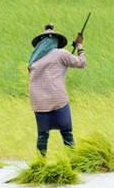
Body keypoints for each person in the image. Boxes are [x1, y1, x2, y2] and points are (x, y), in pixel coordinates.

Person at [27, 23, 85, 156]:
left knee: (42, 136)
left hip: (38, 102)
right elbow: (82, 63)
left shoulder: (33, 61)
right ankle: (73, 161)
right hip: (58, 100)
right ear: (55, 41)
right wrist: (79, 46)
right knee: (67, 133)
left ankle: (40, 164)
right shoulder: (61, 54)